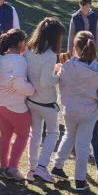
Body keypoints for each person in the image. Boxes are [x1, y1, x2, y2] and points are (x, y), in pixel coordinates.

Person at [51, 31, 98, 192]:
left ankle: (57, 165)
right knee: (83, 144)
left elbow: (61, 83)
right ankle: (80, 179)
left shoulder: (68, 66)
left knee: (69, 136)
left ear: (75, 48)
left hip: (69, 109)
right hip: (89, 112)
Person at [24, 17, 65, 183]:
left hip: (31, 99)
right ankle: (41, 167)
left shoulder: (29, 49)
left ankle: (32, 168)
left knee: (34, 134)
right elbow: (46, 81)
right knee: (53, 133)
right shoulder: (49, 55)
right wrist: (59, 76)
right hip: (46, 101)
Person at [0, 28, 34, 181]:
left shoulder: (1, 57)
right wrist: (32, 90)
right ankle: (13, 168)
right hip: (14, 104)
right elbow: (19, 84)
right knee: (23, 135)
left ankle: (3, 167)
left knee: (5, 135)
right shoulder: (19, 60)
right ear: (21, 43)